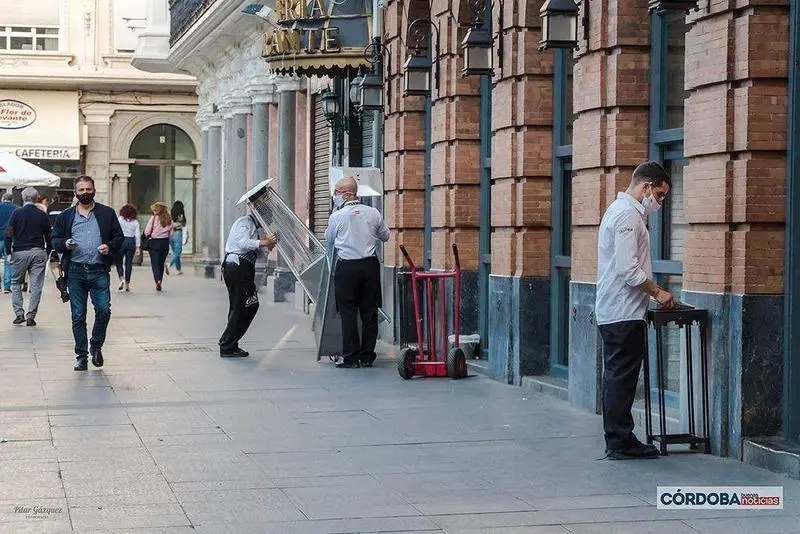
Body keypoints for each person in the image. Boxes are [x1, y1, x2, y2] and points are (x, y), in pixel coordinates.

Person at [595, 161, 675, 460]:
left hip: (618, 310)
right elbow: (628, 269)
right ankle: (620, 441)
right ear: (646, 187)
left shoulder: (621, 211)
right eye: (660, 194)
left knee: (619, 376)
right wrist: (657, 292)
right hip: (622, 312)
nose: (660, 202)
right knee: (621, 377)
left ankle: (620, 437)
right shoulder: (628, 214)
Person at [52, 176, 123, 371]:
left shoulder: (107, 213)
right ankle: (81, 356)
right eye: (81, 189)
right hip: (75, 271)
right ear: (75, 192)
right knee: (78, 316)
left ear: (94, 190)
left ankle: (96, 346)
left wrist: (109, 247)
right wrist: (65, 244)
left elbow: (119, 238)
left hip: (99, 270)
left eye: (88, 189)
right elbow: (55, 239)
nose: (85, 192)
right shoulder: (66, 216)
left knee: (104, 311)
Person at [325, 176, 390, 368]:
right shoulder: (373, 213)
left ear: (346, 193)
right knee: (369, 312)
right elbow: (385, 236)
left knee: (348, 313)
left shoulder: (337, 217)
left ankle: (351, 357)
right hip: (369, 266)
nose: (334, 196)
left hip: (347, 268)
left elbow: (329, 241)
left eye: (336, 192)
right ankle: (367, 355)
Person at [218, 212, 277, 357]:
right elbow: (242, 243)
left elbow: (259, 254)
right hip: (237, 267)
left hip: (244, 268)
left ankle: (231, 343)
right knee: (243, 305)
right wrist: (263, 242)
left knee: (245, 305)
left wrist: (268, 247)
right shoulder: (244, 223)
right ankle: (227, 343)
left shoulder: (256, 229)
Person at [5, 187, 51, 326]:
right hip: (38, 251)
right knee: (36, 285)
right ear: (36, 198)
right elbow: (48, 235)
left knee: (16, 282)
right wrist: (48, 251)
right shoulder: (42, 214)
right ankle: (31, 315)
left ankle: (19, 314)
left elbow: (9, 233)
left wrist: (8, 252)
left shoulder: (16, 213)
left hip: (20, 251)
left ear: (23, 198)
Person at [144, 202, 172, 291]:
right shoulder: (169, 219)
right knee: (161, 263)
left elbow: (147, 232)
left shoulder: (153, 218)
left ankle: (158, 281)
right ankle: (160, 280)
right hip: (165, 242)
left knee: (155, 263)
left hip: (155, 242)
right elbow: (171, 233)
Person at [115, 204, 140, 292]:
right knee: (128, 263)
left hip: (121, 241)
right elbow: (137, 235)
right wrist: (137, 247)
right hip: (131, 242)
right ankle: (127, 284)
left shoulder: (120, 220)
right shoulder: (135, 222)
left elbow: (116, 230)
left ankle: (121, 278)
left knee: (119, 262)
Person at [0, 193, 16, 294]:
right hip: (10, 237)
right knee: (8, 261)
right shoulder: (16, 209)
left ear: (2, 199)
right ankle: (7, 286)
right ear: (12, 199)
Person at [169, 200, 186, 275]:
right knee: (177, 252)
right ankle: (169, 264)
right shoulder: (181, 215)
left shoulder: (170, 214)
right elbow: (184, 224)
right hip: (178, 233)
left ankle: (178, 269)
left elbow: (168, 224)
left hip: (170, 235)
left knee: (175, 253)